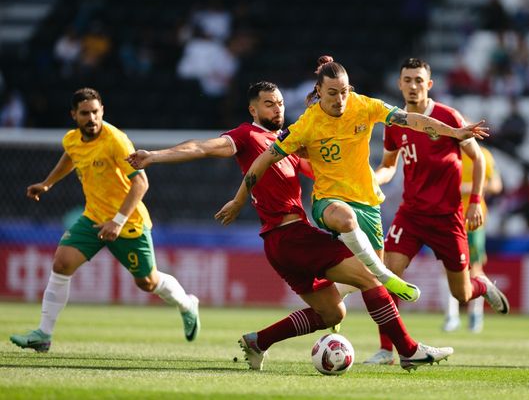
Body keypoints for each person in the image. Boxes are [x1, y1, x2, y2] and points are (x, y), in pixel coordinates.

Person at [127, 81, 454, 371]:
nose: (277, 108)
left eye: (281, 102)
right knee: (371, 277)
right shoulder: (247, 135)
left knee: (333, 314)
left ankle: (259, 341)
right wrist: (154, 157)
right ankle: (408, 350)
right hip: (291, 235)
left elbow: (325, 169)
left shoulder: (290, 143)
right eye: (269, 103)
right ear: (253, 108)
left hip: (282, 245)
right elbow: (200, 147)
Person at [215, 56, 488, 308]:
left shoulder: (365, 106)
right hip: (329, 202)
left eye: (344, 92)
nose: (340, 99)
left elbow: (411, 121)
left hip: (367, 202)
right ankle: (385, 308)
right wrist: (240, 200)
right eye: (333, 93)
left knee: (378, 283)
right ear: (319, 92)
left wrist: (452, 131)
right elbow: (263, 160)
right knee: (354, 232)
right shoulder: (307, 125)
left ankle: (352, 311)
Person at [10, 88, 199, 353]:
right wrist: (47, 183)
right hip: (93, 217)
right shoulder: (72, 139)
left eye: (95, 113)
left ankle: (187, 304)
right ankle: (43, 334)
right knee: (62, 263)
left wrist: (118, 221)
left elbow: (141, 183)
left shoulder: (116, 141)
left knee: (147, 282)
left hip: (128, 221)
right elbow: (71, 156)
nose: (91, 119)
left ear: (102, 112)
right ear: (74, 115)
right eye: (85, 113)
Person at [363, 58, 510, 364]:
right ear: (400, 84)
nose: (413, 85)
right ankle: (386, 350)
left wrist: (473, 203)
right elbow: (389, 166)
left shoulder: (447, 117)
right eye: (408, 80)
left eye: (419, 80)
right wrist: (373, 182)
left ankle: (482, 286)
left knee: (461, 294)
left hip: (447, 218)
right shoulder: (395, 121)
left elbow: (478, 159)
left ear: (428, 84)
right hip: (411, 214)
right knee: (388, 276)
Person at [443, 145, 503, 333]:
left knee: (475, 267)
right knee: (447, 268)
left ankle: (475, 316)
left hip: (474, 221)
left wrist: (471, 187)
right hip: (450, 219)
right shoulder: (449, 155)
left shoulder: (483, 155)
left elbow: (496, 185)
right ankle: (451, 316)